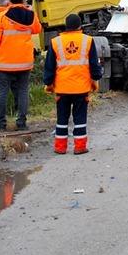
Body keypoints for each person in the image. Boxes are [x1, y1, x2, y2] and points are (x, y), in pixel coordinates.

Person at [43, 13, 102, 154]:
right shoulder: (88, 41)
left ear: (66, 26)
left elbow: (49, 66)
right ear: (80, 26)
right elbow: (94, 64)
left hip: (62, 88)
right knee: (80, 117)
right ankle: (80, 147)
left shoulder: (55, 42)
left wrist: (48, 82)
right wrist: (96, 77)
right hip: (81, 87)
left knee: (62, 118)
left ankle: (60, 148)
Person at [0, 0, 42, 131]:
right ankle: (22, 123)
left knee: (2, 93)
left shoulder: (2, 16)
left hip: (5, 62)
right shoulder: (31, 15)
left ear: (10, 0)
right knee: (23, 91)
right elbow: (37, 30)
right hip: (24, 61)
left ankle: (1, 124)